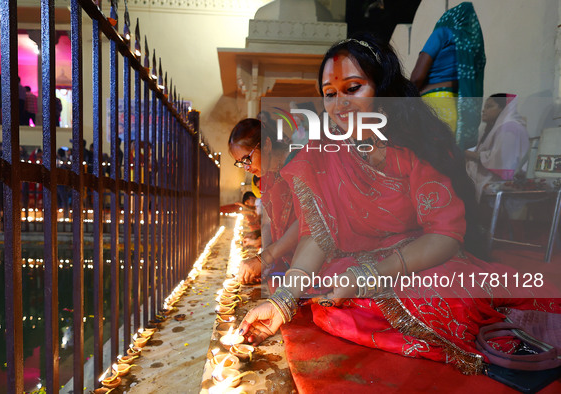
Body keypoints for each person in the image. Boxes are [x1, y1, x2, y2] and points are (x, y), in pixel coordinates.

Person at [239, 35, 560, 375]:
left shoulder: (415, 143)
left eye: (353, 88)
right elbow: (318, 232)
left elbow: (445, 235)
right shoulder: (325, 151)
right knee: (329, 294)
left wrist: (370, 276)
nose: (339, 104)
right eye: (330, 94)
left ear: (383, 88)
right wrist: (283, 300)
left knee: (438, 298)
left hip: (422, 260)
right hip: (362, 260)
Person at [229, 118, 299, 285]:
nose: (246, 168)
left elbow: (307, 224)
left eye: (247, 159)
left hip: (314, 262)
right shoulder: (266, 178)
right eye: (240, 163)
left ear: (266, 144)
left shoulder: (298, 164)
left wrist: (264, 259)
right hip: (288, 260)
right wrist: (267, 262)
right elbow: (268, 222)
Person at [410, 2, 485, 150]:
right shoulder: (469, 47)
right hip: (457, 110)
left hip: (433, 105)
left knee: (426, 163)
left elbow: (417, 77)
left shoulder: (443, 33)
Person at [465, 94, 529, 201]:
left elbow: (499, 160)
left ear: (503, 109)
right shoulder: (495, 127)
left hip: (499, 179)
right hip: (488, 175)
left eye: (489, 106)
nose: (483, 111)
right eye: (484, 107)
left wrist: (467, 154)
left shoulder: (511, 128)